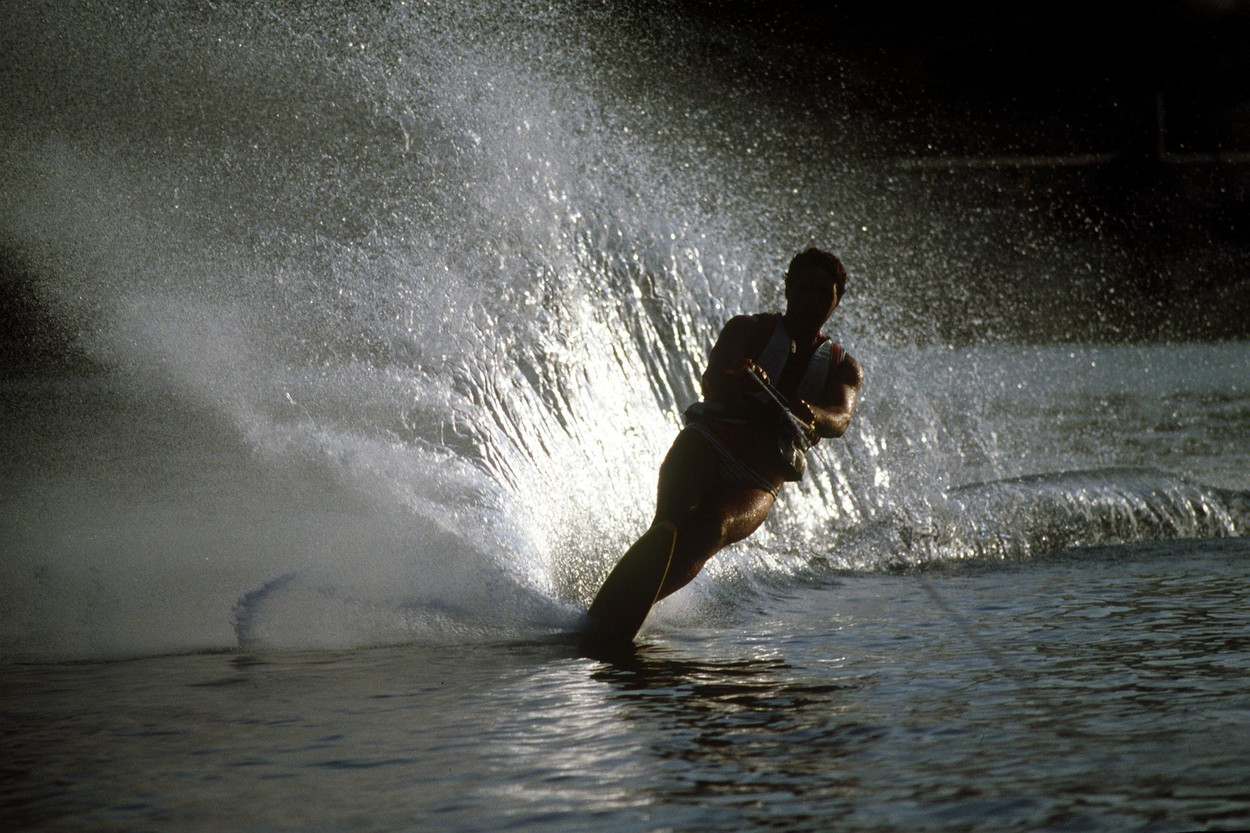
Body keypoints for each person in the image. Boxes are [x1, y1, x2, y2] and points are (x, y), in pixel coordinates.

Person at [589, 247, 863, 634]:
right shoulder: (748, 330)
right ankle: (623, 599)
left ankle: (632, 606)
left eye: (825, 293)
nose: (813, 301)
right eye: (805, 290)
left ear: (838, 300)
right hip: (710, 442)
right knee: (670, 523)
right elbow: (711, 381)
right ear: (787, 290)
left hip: (758, 478)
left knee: (712, 528)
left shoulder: (843, 366)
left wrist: (812, 413)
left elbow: (841, 417)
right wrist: (740, 377)